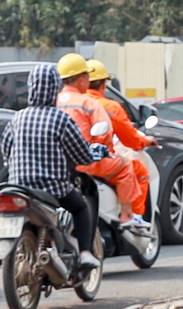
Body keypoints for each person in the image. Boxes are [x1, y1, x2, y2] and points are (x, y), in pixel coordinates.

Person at [1, 63, 108, 268]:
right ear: (55, 89)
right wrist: (92, 155)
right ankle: (85, 252)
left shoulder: (17, 117)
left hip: (18, 186)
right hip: (51, 187)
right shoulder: (60, 119)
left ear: (32, 88)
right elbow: (81, 155)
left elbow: (6, 149)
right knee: (80, 208)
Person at [56, 53, 149, 236]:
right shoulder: (91, 104)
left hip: (58, 163)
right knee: (126, 167)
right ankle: (128, 216)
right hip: (86, 161)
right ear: (83, 79)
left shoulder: (53, 102)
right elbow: (106, 136)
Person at [86, 59, 158, 217]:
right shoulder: (110, 107)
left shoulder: (71, 103)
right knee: (140, 171)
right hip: (98, 162)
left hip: (70, 162)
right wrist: (144, 141)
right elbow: (130, 139)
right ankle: (134, 219)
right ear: (103, 84)